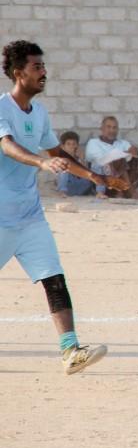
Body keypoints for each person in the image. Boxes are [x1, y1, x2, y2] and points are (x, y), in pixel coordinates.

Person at [1, 40, 129, 373]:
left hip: (30, 219)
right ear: (18, 73)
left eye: (44, 66)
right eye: (37, 67)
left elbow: (58, 154)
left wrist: (96, 177)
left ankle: (70, 351)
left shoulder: (39, 113)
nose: (44, 72)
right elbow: (7, 146)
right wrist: (40, 163)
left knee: (54, 279)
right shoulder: (2, 108)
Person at [84, 116, 138, 199]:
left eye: (114, 128)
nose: (112, 130)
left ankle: (123, 191)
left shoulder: (122, 143)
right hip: (103, 183)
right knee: (117, 157)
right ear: (102, 129)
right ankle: (130, 191)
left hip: (122, 180)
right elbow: (100, 161)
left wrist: (132, 151)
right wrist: (121, 155)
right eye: (108, 127)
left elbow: (134, 151)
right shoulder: (93, 143)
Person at [56, 131, 94, 197]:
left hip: (83, 186)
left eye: (74, 144)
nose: (71, 146)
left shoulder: (80, 157)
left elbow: (88, 175)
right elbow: (60, 176)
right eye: (68, 144)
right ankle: (62, 192)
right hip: (69, 188)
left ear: (77, 145)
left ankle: (99, 192)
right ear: (63, 146)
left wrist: (82, 159)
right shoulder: (60, 159)